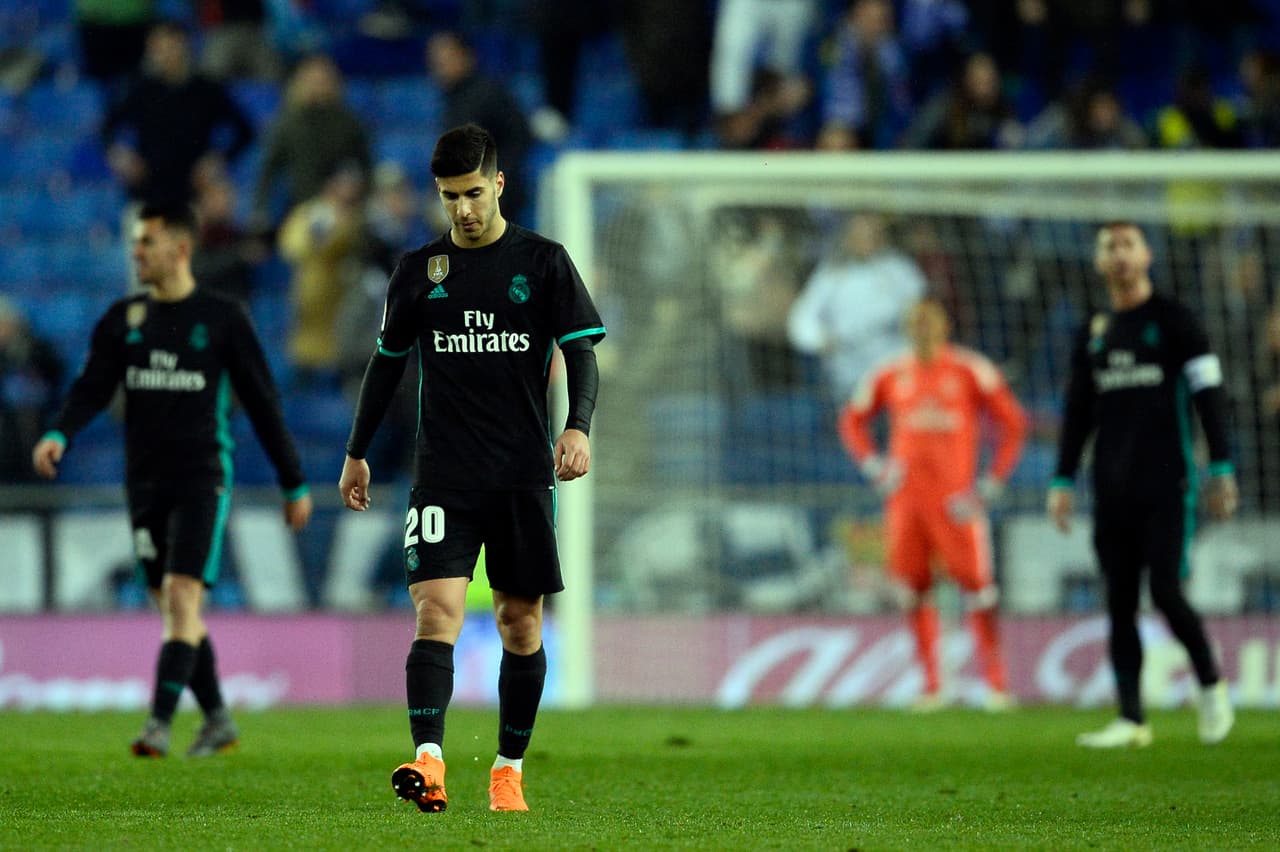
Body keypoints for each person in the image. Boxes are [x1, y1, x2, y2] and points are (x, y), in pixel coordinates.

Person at [338, 124, 605, 813]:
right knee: (437, 612)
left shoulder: (543, 263)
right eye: (451, 196)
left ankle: (508, 770)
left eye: (474, 193)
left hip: (521, 475)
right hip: (444, 476)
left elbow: (581, 352)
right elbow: (387, 364)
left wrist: (577, 426)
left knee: (521, 623)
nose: (463, 209)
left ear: (499, 185)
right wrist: (357, 450)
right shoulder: (418, 272)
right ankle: (429, 761)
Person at [31, 202, 312, 757]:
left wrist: (293, 482)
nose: (135, 252)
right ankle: (219, 721)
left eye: (146, 242)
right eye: (135, 243)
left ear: (180, 249)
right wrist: (60, 433)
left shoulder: (222, 318)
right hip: (144, 484)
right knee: (172, 605)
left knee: (183, 597)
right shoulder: (123, 320)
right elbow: (92, 387)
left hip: (203, 477)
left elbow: (262, 402)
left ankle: (157, 725)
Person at [1048, 221, 1237, 748]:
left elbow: (1209, 396)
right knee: (1119, 600)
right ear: (1098, 262)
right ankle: (1132, 719)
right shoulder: (1095, 329)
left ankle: (1211, 686)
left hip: (1169, 482)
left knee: (1168, 592)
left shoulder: (1176, 321)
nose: (1121, 254)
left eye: (1129, 244)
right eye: (1110, 246)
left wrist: (1221, 466)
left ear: (1147, 254)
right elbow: (1078, 411)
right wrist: (1062, 477)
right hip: (1111, 487)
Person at [839, 299, 1027, 710]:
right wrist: (875, 466)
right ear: (907, 328)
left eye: (929, 321)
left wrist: (990, 485)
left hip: (957, 505)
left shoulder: (970, 369)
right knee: (914, 589)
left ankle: (996, 686)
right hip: (906, 504)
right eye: (914, 322)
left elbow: (1013, 424)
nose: (922, 328)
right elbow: (851, 420)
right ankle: (932, 687)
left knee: (979, 590)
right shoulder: (889, 372)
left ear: (944, 325)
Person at [100, 21, 255, 208]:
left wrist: (219, 159)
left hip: (194, 193)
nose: (162, 54)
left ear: (183, 44)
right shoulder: (141, 88)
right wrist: (120, 155)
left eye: (168, 45)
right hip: (147, 193)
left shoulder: (206, 89)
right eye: (156, 48)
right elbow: (106, 128)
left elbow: (245, 130)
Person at [787, 211, 927, 402]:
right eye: (859, 234)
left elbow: (922, 310)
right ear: (847, 237)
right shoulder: (831, 274)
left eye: (871, 234)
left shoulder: (900, 269)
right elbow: (801, 321)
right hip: (848, 380)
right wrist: (822, 339)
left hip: (897, 375)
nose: (865, 240)